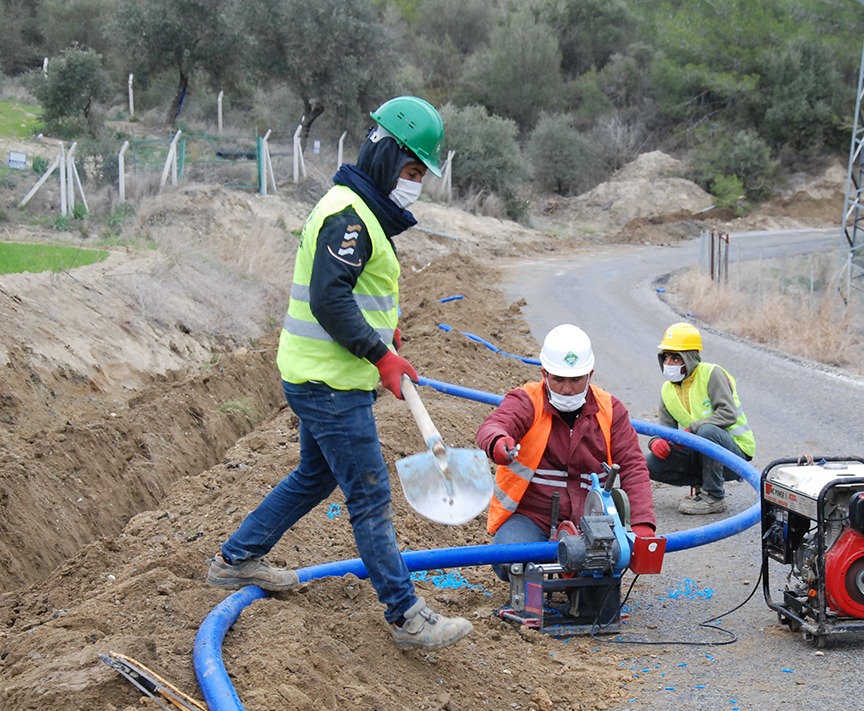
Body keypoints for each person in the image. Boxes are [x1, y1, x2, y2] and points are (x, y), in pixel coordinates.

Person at [206, 96, 472, 652]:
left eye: (421, 174)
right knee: (369, 492)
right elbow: (329, 299)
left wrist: (384, 335)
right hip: (329, 384)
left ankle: (237, 557)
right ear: (387, 155)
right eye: (411, 170)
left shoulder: (358, 208)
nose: (414, 184)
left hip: (320, 375)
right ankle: (405, 614)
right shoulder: (350, 214)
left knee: (315, 476)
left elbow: (353, 293)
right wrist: (381, 357)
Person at [476, 324, 656, 577]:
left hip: (592, 521)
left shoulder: (610, 410)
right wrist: (496, 441)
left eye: (576, 379)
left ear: (590, 375)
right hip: (532, 516)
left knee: (608, 561)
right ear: (544, 373)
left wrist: (641, 525)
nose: (567, 388)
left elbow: (633, 467)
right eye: (558, 379)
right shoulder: (527, 401)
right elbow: (495, 424)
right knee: (509, 560)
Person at [645, 322, 755, 515]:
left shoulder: (712, 374)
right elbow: (666, 431)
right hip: (701, 452)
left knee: (706, 432)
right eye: (666, 357)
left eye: (675, 358)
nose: (669, 364)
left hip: (733, 456)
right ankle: (701, 485)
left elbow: (728, 414)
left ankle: (714, 497)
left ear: (689, 358)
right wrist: (656, 442)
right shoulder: (667, 390)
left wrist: (693, 429)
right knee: (650, 463)